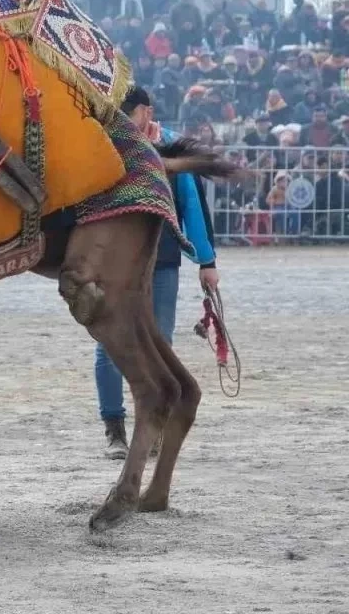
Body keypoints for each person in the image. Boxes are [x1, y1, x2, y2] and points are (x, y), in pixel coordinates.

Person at [94, 86, 219, 460]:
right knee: (109, 344)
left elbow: (192, 207)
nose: (119, 121)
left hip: (163, 259)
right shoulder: (104, 146)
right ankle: (114, 428)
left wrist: (207, 262)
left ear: (146, 112)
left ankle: (152, 426)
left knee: (160, 343)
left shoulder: (170, 149)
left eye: (127, 114)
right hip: (114, 263)